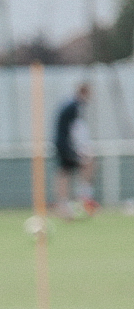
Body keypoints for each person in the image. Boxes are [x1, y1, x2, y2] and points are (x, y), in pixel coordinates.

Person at [53, 82, 95, 217]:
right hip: (67, 145)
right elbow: (76, 129)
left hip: (63, 144)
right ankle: (83, 199)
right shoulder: (75, 107)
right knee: (87, 163)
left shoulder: (70, 105)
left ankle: (65, 204)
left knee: (65, 172)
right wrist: (82, 148)